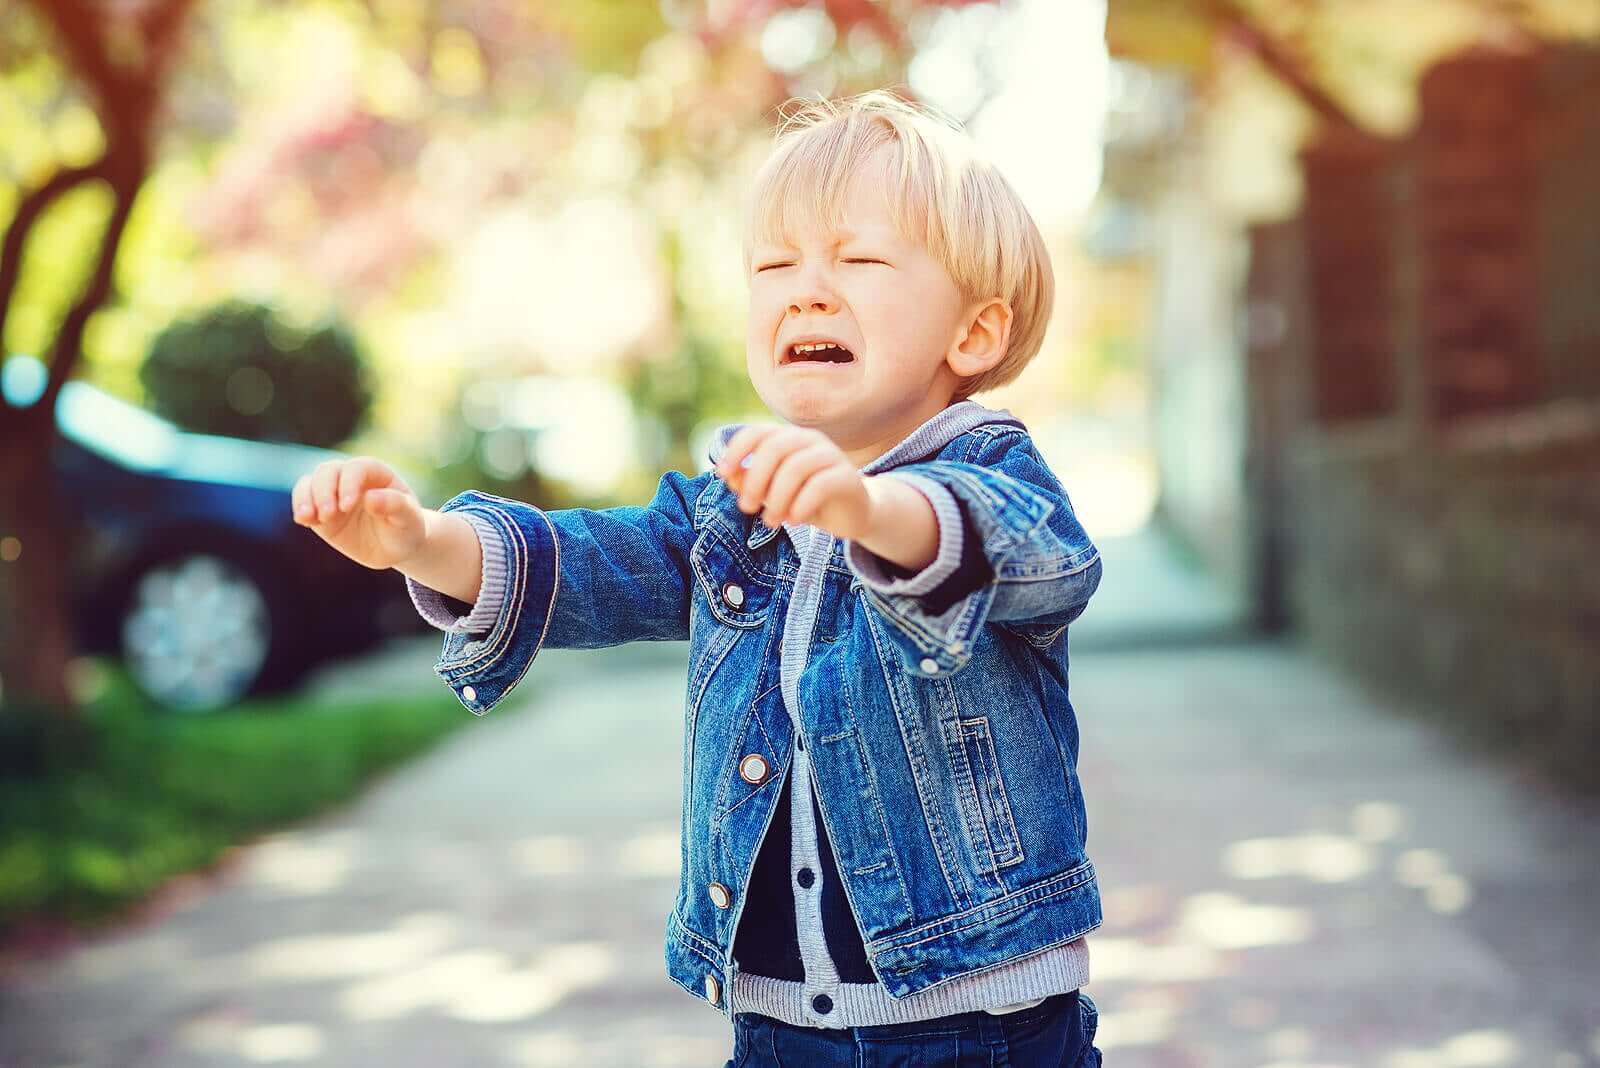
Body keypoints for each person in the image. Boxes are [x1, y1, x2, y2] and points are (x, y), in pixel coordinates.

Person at [292, 88, 1105, 1067]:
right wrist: (419, 542)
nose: (806, 289)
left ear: (971, 335)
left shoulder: (992, 476)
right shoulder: (734, 507)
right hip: (774, 1023)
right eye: (775, 265)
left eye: (857, 259)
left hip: (975, 1019)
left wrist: (865, 510)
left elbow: (1037, 558)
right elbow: (590, 564)